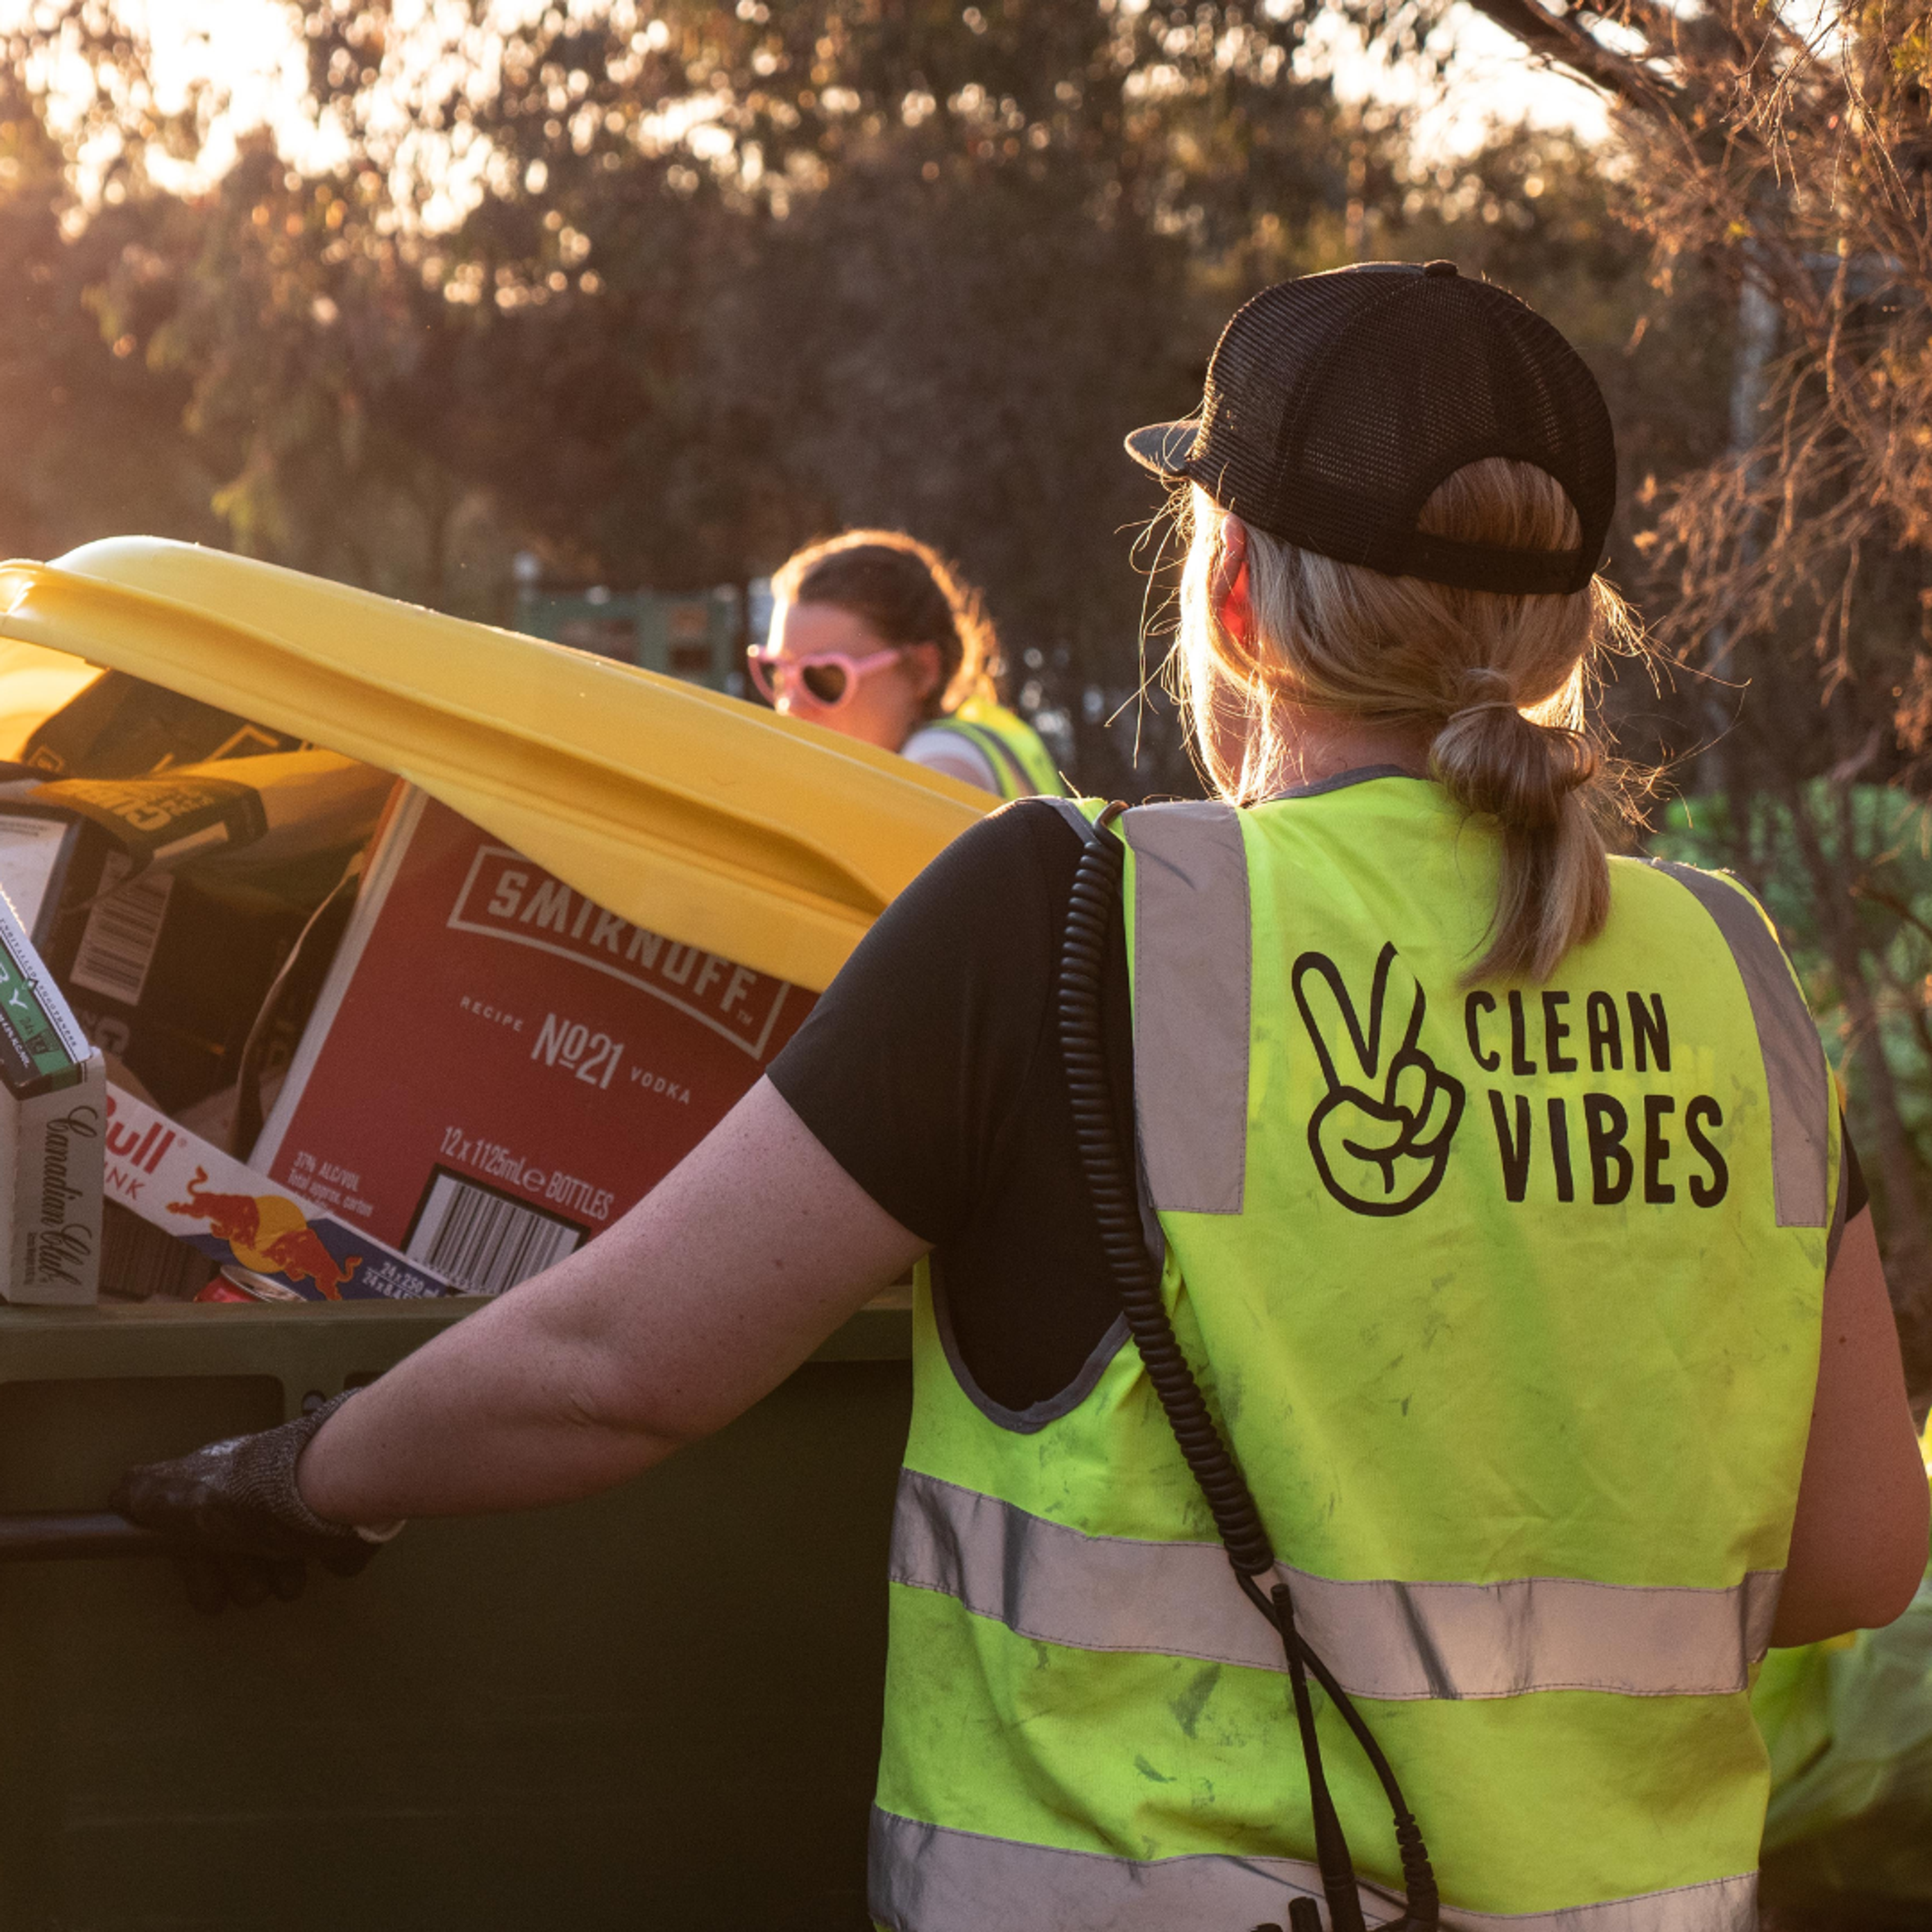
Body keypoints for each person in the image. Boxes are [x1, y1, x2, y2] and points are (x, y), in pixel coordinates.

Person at [117, 264, 1928, 1932]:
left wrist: (298, 1475)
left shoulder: (1078, 922)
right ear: (1561, 625)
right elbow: (1857, 1551)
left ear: (1228, 595)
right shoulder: (1736, 972)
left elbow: (614, 1367)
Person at [748, 528, 1063, 798]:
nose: (791, 705)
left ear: (924, 669)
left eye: (825, 678)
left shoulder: (941, 761)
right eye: (779, 673)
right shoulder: (982, 736)